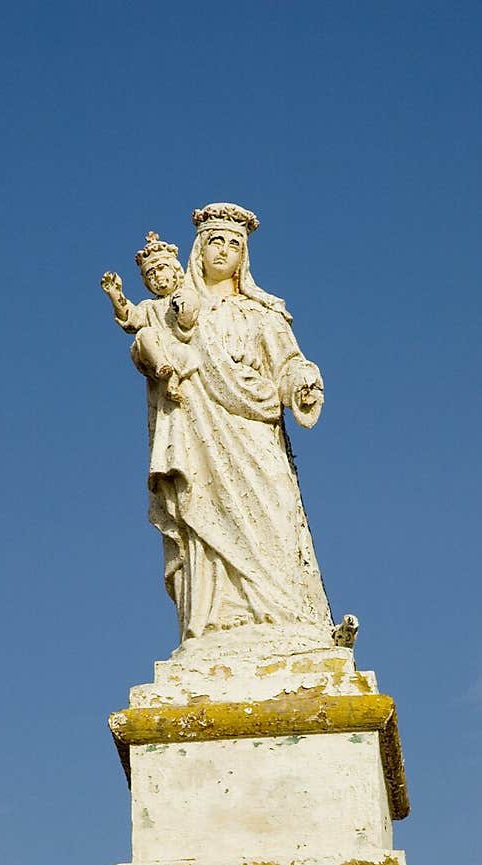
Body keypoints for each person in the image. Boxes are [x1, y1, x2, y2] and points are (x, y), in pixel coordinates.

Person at [141, 202, 333, 647]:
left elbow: (287, 363)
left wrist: (302, 381)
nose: (224, 250)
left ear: (244, 255)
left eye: (233, 243)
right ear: (199, 249)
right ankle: (217, 619)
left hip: (252, 432)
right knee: (203, 513)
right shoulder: (175, 312)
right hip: (200, 431)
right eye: (215, 241)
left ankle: (286, 616)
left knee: (273, 516)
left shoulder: (260, 313)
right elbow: (148, 349)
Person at [101, 232, 199, 403]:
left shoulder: (187, 293)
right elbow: (131, 320)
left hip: (181, 350)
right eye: (150, 274)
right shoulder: (148, 306)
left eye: (161, 268)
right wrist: (116, 294)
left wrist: (183, 306)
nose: (156, 276)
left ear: (175, 269)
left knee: (159, 342)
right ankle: (165, 369)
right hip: (157, 353)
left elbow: (188, 320)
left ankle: (172, 379)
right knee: (144, 334)